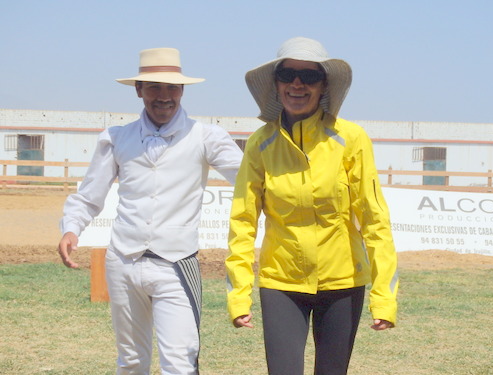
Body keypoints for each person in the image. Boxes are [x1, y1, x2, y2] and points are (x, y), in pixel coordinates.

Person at [58, 47, 243, 374]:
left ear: (183, 90)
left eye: (172, 87)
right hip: (123, 263)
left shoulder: (206, 136)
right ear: (138, 89)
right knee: (130, 361)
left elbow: (250, 178)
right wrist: (72, 228)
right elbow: (90, 194)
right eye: (154, 87)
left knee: (180, 363)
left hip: (175, 265)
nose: (164, 96)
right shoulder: (116, 138)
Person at [225, 37, 399, 375]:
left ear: (324, 86)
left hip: (343, 283)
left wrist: (384, 298)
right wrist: (238, 295)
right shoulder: (261, 143)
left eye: (310, 76)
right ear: (276, 84)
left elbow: (375, 220)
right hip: (281, 283)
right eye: (288, 74)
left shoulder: (351, 139)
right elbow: (242, 221)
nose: (297, 84)